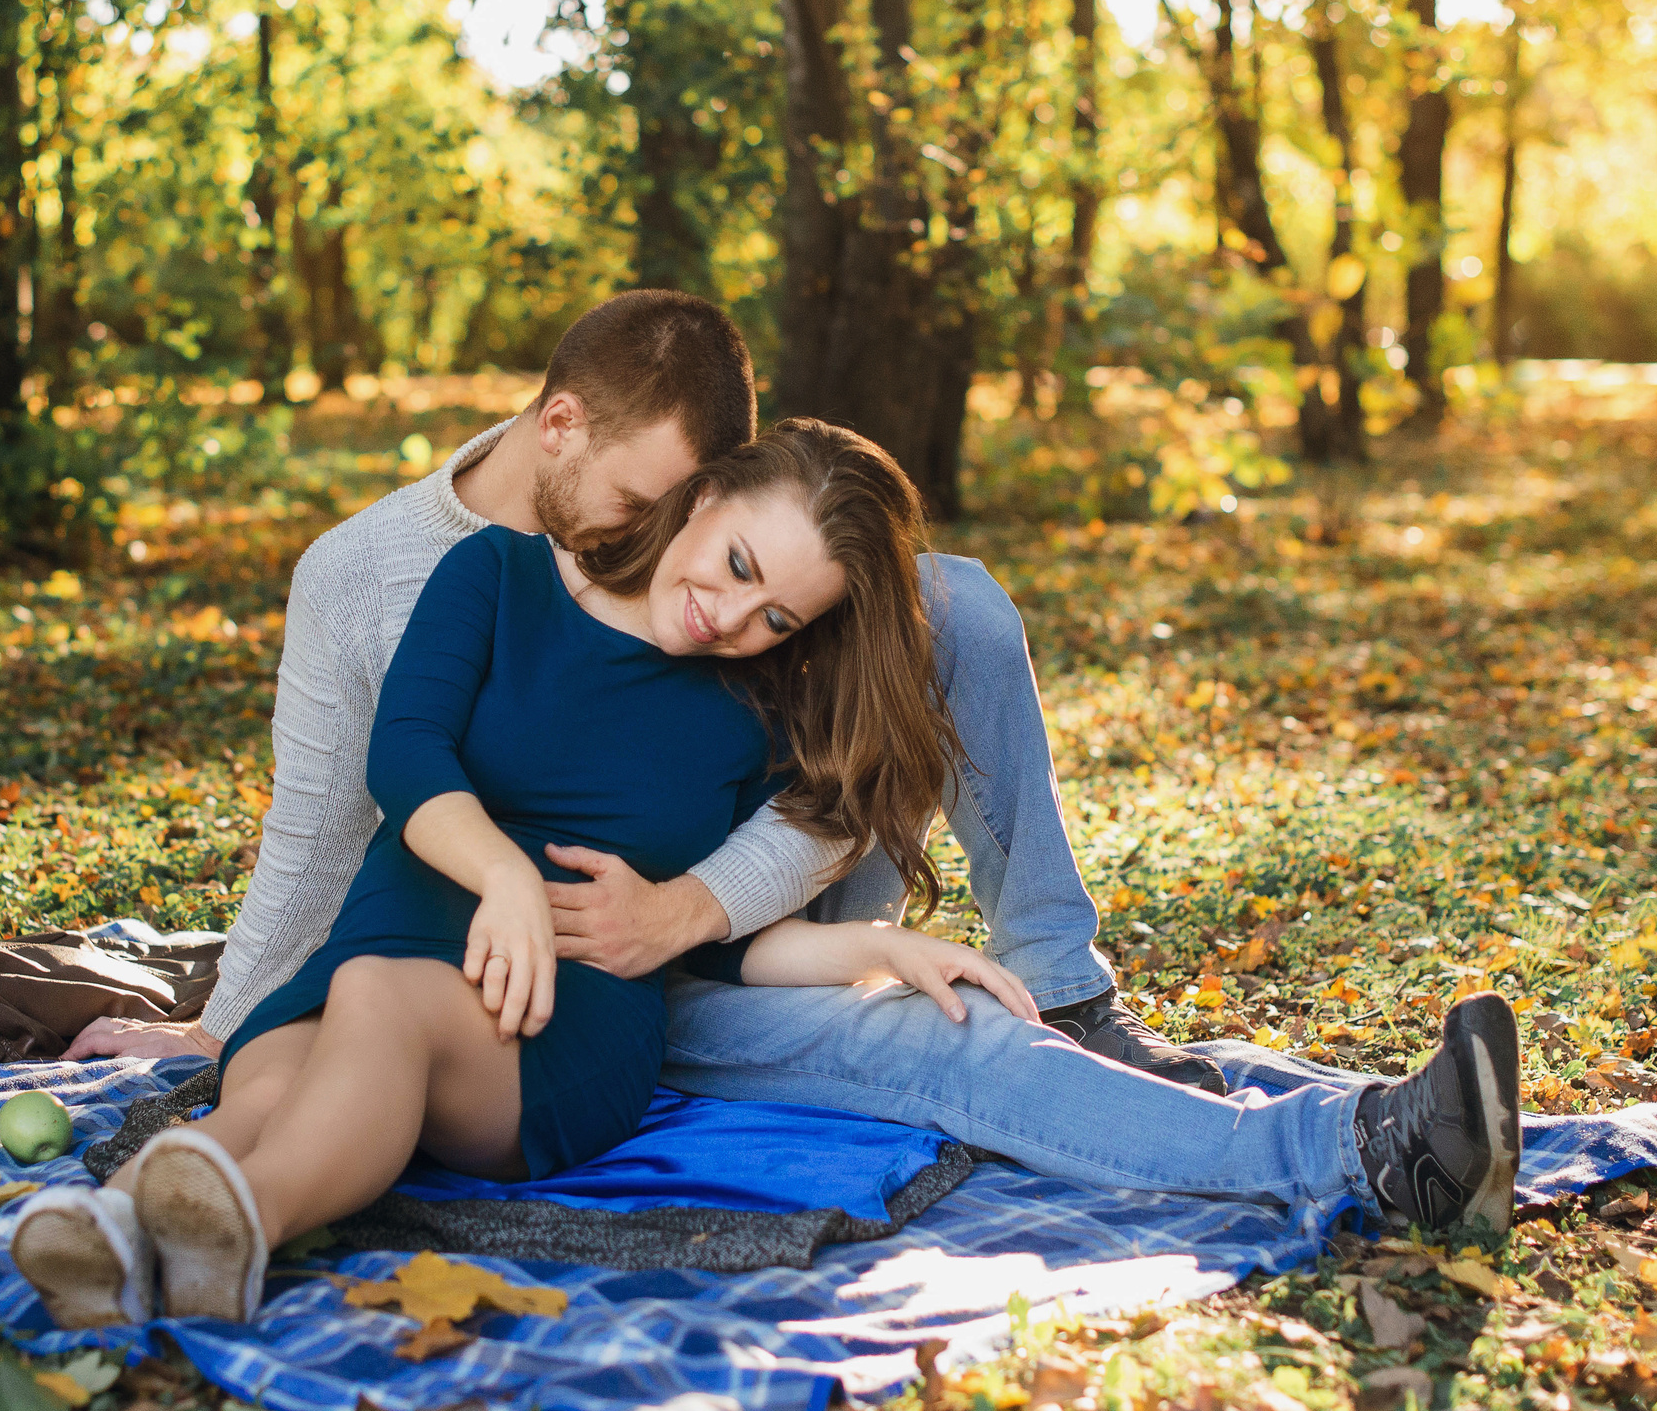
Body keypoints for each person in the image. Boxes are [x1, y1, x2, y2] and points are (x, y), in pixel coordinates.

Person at [11, 424, 1524, 1327]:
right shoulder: (498, 578)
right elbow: (376, 788)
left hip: (644, 1000)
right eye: (734, 565)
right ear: (700, 494)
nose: (735, 614)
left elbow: (739, 941)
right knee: (319, 1046)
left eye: (777, 610)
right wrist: (227, 1018)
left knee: (942, 1030)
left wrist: (885, 950)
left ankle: (1356, 1146)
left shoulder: (761, 698)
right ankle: (161, 1234)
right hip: (492, 978)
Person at [68, 287, 1222, 1114]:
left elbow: (818, 787)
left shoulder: (726, 587)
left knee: (950, 602)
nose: (653, 544)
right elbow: (324, 815)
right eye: (636, 501)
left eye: (694, 516)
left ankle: (1063, 992)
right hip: (542, 965)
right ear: (559, 423)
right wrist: (227, 1018)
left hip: (734, 922)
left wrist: (690, 909)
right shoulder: (373, 575)